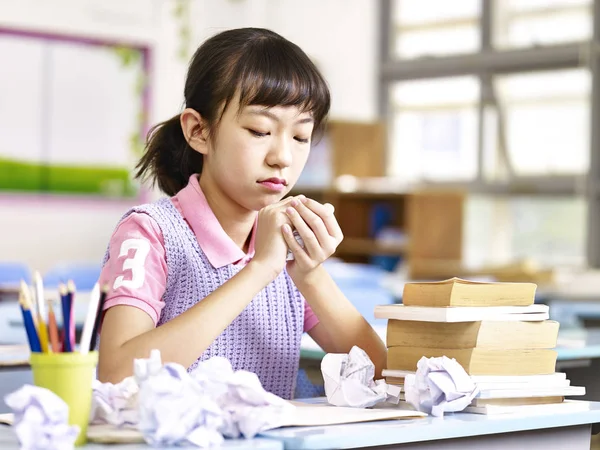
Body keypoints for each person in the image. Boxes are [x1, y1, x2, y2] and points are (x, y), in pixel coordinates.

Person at [97, 27, 386, 399]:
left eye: (300, 137)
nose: (282, 157)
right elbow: (117, 375)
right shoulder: (149, 233)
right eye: (259, 130)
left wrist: (310, 275)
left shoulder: (289, 246)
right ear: (198, 130)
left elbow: (381, 373)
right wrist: (260, 269)